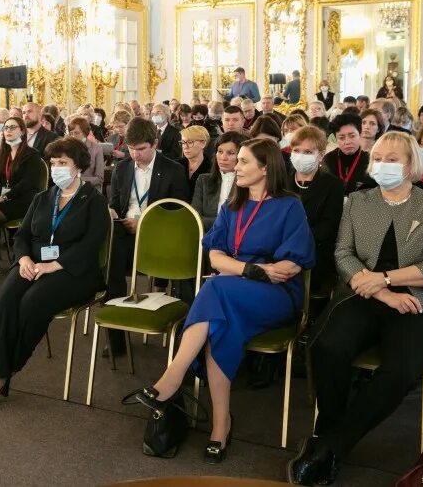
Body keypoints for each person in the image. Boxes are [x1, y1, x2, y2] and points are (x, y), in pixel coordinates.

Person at [132, 139, 315, 464]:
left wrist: (245, 273)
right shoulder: (233, 205)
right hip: (236, 287)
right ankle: (220, 426)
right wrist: (251, 270)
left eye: (243, 161)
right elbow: (215, 257)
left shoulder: (290, 206)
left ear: (265, 168)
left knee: (215, 290)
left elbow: (290, 267)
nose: (234, 165)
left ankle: (172, 377)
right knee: (219, 324)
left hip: (276, 296)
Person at [291, 133, 423, 486]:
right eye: (377, 157)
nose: (382, 164)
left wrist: (384, 278)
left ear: (411, 165)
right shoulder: (357, 201)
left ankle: (332, 445)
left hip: (417, 300)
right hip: (364, 295)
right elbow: (342, 255)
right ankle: (328, 435)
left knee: (400, 369)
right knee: (328, 346)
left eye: (392, 159)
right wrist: (382, 291)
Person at [0, 137, 109, 409]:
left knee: (31, 303)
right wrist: (24, 258)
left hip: (74, 270)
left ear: (78, 167)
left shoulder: (93, 201)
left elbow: (90, 246)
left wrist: (53, 265)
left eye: (63, 163)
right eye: (53, 163)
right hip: (33, 262)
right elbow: (22, 235)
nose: (57, 168)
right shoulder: (42, 198)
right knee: (4, 302)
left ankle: (6, 369)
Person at [106, 117, 190, 355]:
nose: (135, 155)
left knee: (115, 252)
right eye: (131, 149)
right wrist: (112, 213)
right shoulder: (122, 169)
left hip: (160, 234)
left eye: (141, 149)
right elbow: (115, 203)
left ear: (155, 143)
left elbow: (178, 211)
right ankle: (116, 334)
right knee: (110, 253)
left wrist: (144, 222)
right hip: (125, 231)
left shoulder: (173, 169)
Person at [0, 116, 47, 282]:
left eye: (13, 127)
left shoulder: (32, 154)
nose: (8, 130)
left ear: (21, 131)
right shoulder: (2, 153)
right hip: (3, 198)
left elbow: (28, 183)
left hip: (24, 199)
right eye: (6, 127)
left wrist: (3, 197)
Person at [287, 126, 345, 296]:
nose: (300, 156)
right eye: (296, 150)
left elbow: (329, 225)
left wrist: (294, 241)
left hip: (315, 250)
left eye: (307, 152)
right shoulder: (281, 181)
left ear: (320, 155)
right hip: (278, 246)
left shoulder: (333, 185)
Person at [191, 131, 244, 232]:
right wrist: (226, 222)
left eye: (231, 153)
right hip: (207, 238)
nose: (223, 158)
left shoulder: (247, 183)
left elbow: (244, 221)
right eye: (220, 152)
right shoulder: (203, 180)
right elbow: (195, 218)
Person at [323, 112, 376, 195]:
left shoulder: (370, 161)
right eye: (341, 138)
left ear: (360, 134)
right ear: (336, 139)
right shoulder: (328, 160)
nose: (347, 142)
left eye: (352, 136)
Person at [67, 116, 104, 187]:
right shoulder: (66, 148)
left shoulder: (96, 149)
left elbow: (99, 178)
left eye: (77, 133)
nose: (73, 136)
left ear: (85, 133)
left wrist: (78, 180)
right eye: (71, 133)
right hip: (68, 187)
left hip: (88, 188)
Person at [179, 124, 211, 192]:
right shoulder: (176, 165)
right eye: (183, 142)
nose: (185, 146)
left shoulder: (212, 169)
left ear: (203, 143)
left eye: (190, 142)